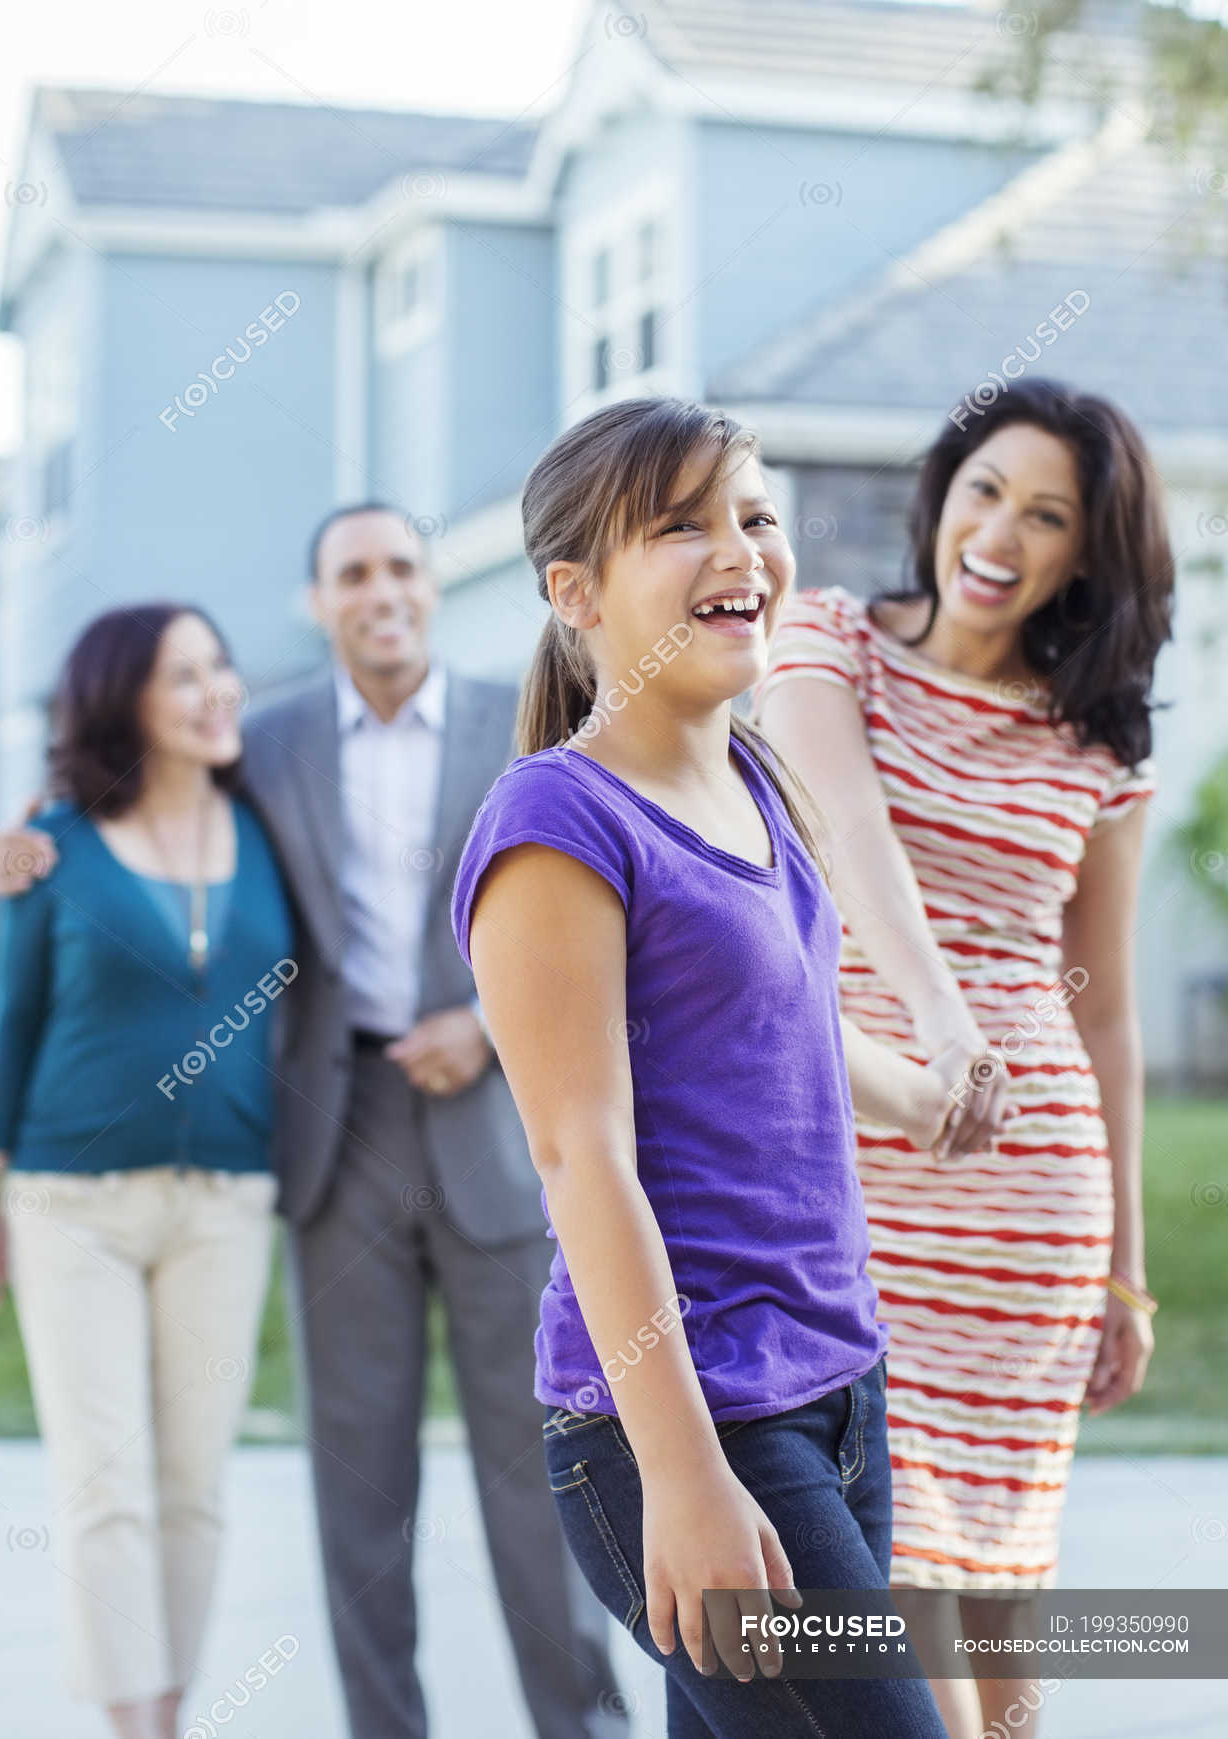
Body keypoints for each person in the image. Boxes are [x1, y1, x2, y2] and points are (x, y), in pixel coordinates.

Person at [0, 505, 627, 1739]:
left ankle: (582, 1725)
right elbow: (119, 793)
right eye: (351, 575)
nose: (380, 592)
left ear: (431, 586)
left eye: (400, 568)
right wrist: (12, 848)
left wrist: (489, 1024)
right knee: (360, 1492)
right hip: (339, 1137)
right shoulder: (261, 740)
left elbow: (606, 903)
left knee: (542, 1474)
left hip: (498, 1123)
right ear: (318, 603)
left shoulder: (527, 723)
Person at [454, 395, 963, 1737]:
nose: (740, 548)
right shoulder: (558, 818)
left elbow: (773, 1019)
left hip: (836, 1389)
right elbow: (581, 1155)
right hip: (685, 1423)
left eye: (753, 514)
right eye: (681, 525)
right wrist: (680, 1475)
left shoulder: (750, 776)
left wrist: (921, 1095)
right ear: (577, 590)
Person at [755, 377, 1172, 1739]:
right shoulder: (828, 639)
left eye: (1047, 515)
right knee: (901, 1578)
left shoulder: (1096, 739)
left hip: (1032, 1196)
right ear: (943, 493)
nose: (1000, 531)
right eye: (986, 487)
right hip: (868, 1161)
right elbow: (854, 839)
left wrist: (1128, 1265)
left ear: (1084, 556)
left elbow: (1103, 1008)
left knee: (998, 1598)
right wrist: (941, 1029)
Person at [0, 603, 293, 1739]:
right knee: (106, 1483)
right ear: (125, 705)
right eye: (182, 676)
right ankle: (134, 1726)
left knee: (194, 1483)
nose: (216, 691)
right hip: (70, 1205)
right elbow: (13, 1026)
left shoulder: (266, 827)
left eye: (219, 663)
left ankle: (171, 1712)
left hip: (228, 1200)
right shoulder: (54, 846)